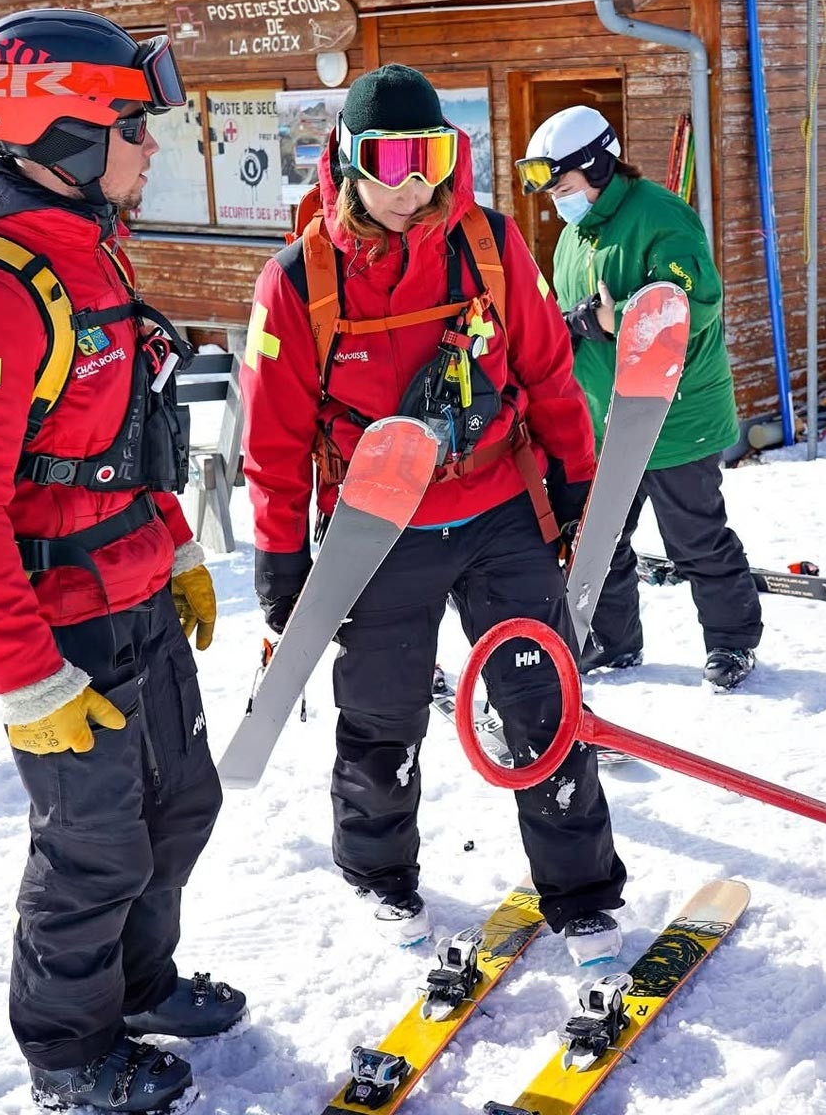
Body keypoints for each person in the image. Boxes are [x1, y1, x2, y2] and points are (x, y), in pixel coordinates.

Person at [0, 8, 238, 1114]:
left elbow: (119, 448)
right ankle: (66, 1049)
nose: (153, 148)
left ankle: (137, 988)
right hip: (60, 630)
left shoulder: (91, 254)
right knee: (92, 848)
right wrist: (26, 673)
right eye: (136, 126)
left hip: (135, 593)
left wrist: (177, 545)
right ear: (68, 131)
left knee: (180, 805)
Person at [239, 64, 628, 963]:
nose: (415, 181)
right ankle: (381, 874)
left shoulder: (489, 245)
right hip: (378, 527)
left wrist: (575, 488)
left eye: (433, 155)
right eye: (392, 158)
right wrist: (281, 563)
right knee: (382, 714)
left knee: (544, 700)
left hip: (495, 506)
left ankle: (579, 892)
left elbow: (548, 376)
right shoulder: (297, 282)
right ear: (348, 159)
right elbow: (274, 440)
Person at [517, 106, 763, 690]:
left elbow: (694, 305)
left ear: (598, 166)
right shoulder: (577, 235)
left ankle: (732, 643)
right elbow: (569, 322)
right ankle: (614, 640)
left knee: (696, 538)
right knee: (599, 538)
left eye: (564, 185)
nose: (557, 199)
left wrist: (612, 316)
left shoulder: (662, 219)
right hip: (605, 420)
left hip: (677, 420)